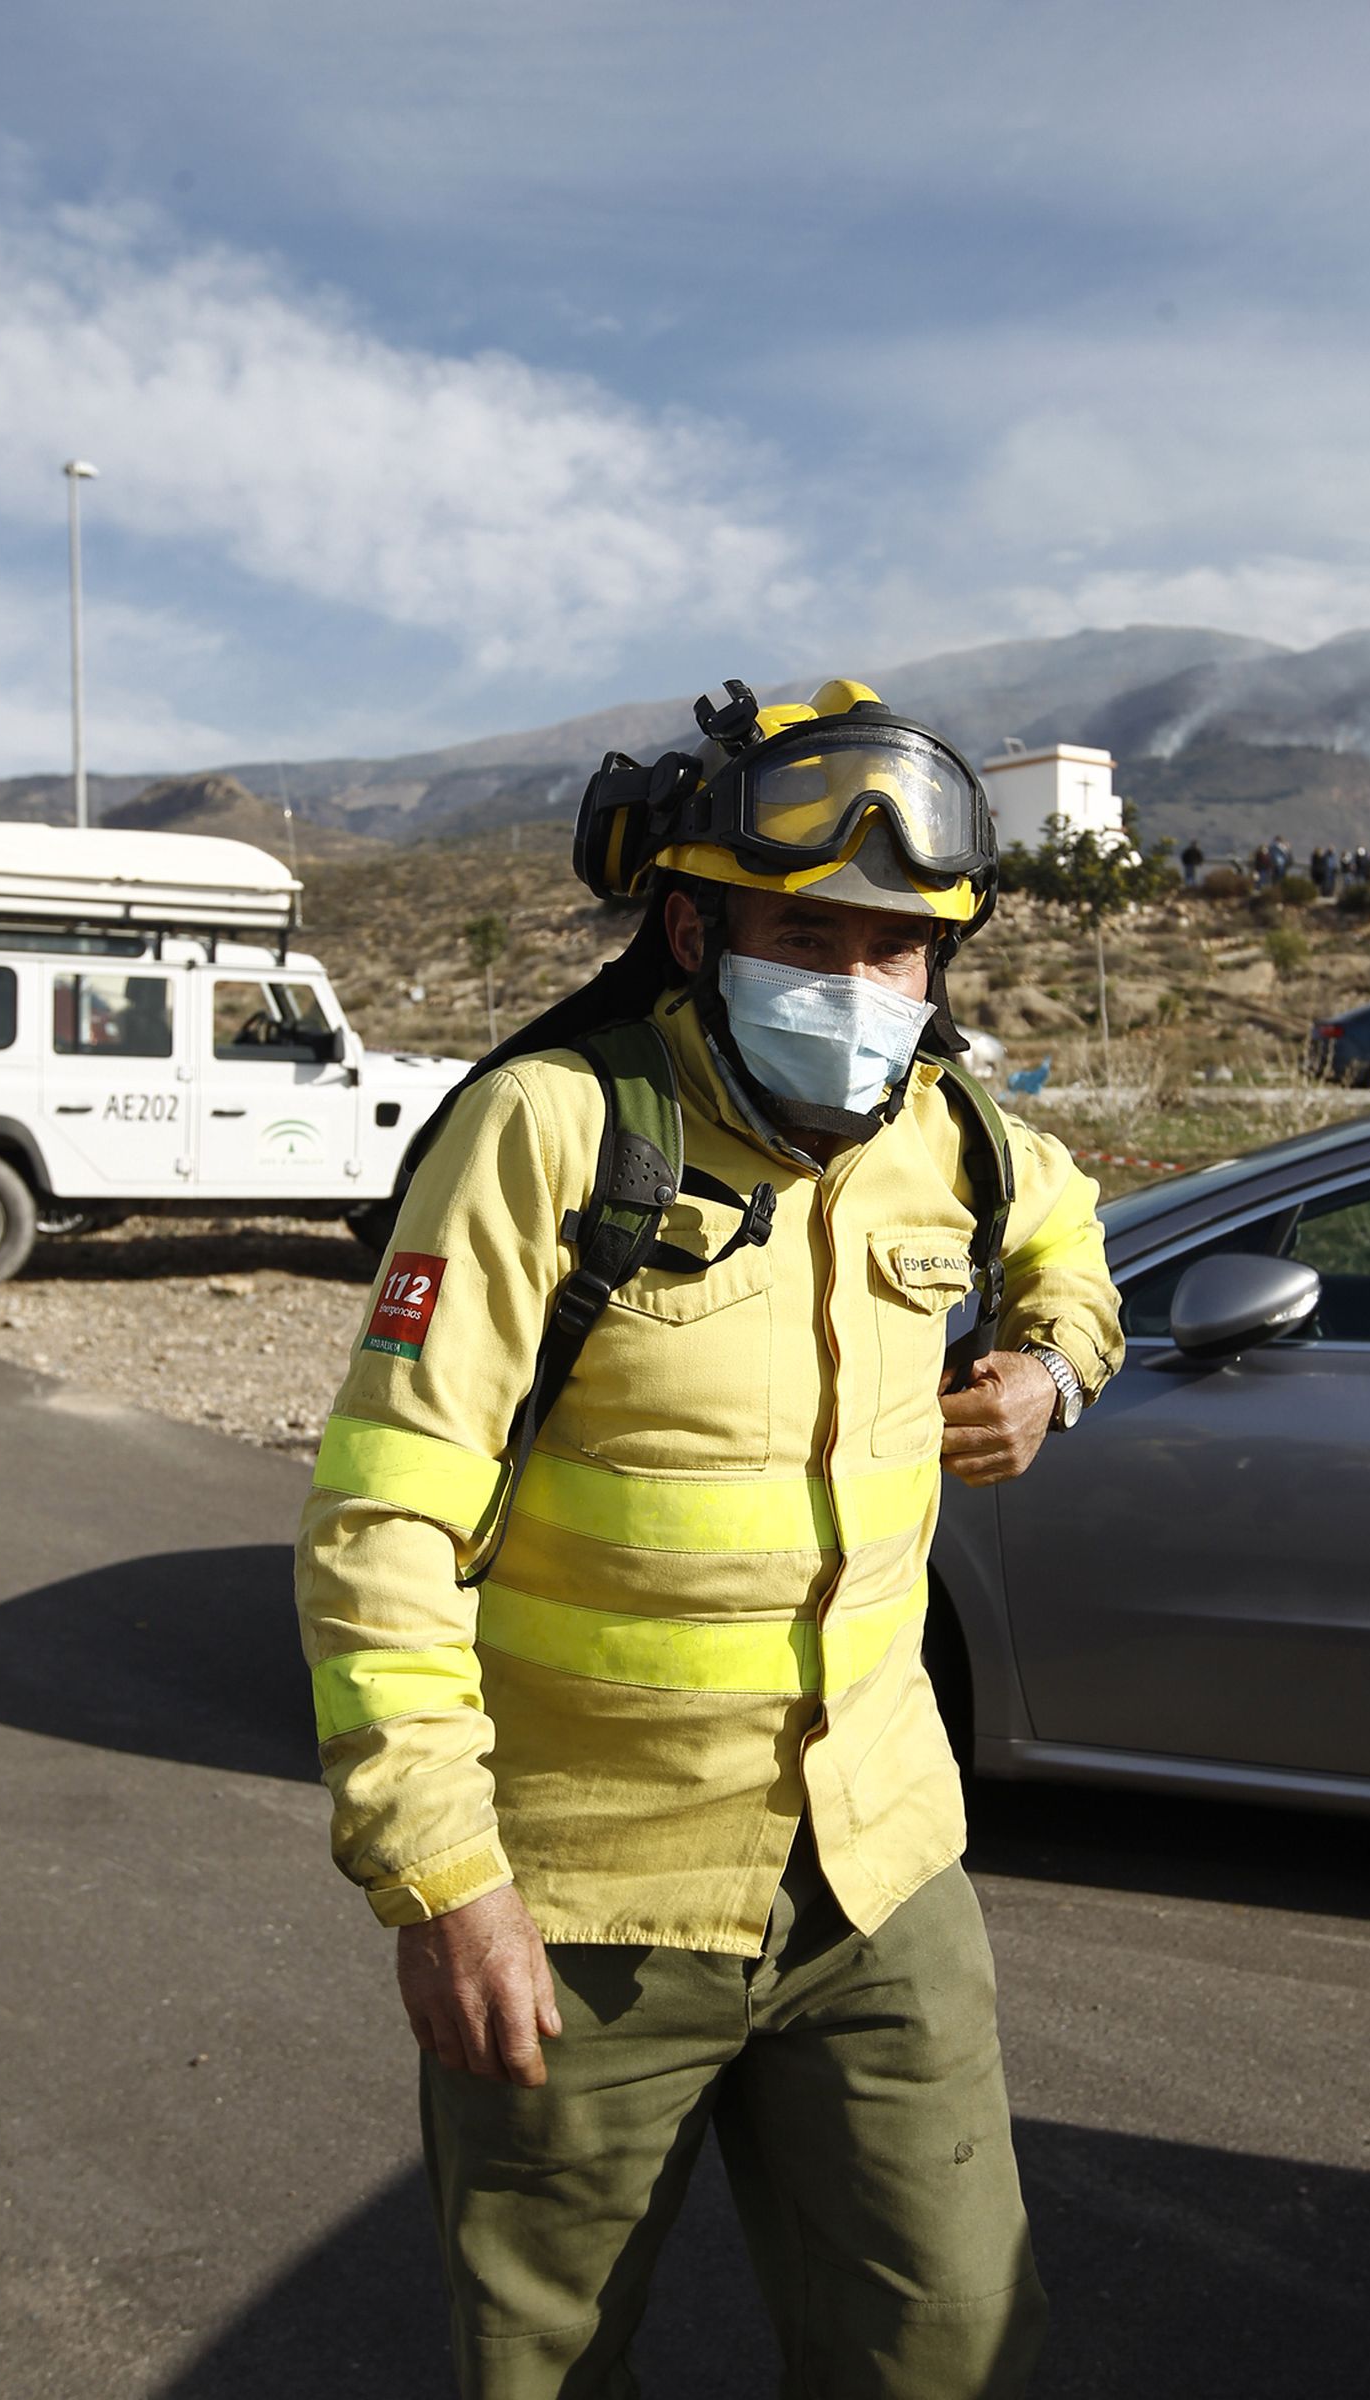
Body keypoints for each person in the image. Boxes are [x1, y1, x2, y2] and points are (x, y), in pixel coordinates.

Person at [295, 677, 1123, 2400]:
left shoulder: (956, 1138)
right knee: (550, 2369)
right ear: (689, 928)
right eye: (807, 936)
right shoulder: (553, 1133)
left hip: (880, 1878)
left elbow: (1077, 1244)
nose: (859, 986)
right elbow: (381, 1522)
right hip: (585, 1910)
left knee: (958, 2351)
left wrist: (1051, 1367)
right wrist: (440, 1882)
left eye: (898, 949)